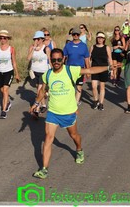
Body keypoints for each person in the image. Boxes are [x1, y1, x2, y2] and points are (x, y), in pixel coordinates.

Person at [30, 48, 115, 179]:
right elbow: (42, 91)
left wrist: (108, 67)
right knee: (48, 138)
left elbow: (90, 70)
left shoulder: (70, 70)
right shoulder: (47, 74)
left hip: (68, 112)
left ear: (63, 59)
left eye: (59, 59)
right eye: (54, 60)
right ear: (50, 60)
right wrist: (36, 103)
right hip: (52, 112)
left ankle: (79, 150)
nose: (56, 62)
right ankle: (44, 169)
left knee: (74, 136)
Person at [0, 30, 20, 119]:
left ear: (7, 39)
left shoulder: (11, 49)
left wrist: (17, 74)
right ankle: (8, 102)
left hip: (9, 72)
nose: (2, 39)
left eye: (4, 38)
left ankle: (4, 110)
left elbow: (14, 62)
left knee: (5, 90)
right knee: (2, 90)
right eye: (1, 38)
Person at [63, 27, 90, 105]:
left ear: (80, 35)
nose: (75, 36)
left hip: (79, 69)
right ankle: (70, 100)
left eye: (77, 34)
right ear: (72, 35)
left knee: (79, 87)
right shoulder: (68, 45)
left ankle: (75, 102)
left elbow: (86, 59)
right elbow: (63, 57)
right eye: (74, 34)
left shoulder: (83, 46)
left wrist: (88, 71)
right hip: (69, 69)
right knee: (70, 87)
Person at [27, 31, 51, 116]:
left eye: (38, 39)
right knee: (39, 90)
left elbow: (50, 60)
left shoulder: (46, 48)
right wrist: (33, 48)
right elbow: (28, 58)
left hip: (43, 72)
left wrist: (52, 71)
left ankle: (36, 110)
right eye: (35, 39)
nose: (36, 40)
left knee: (39, 91)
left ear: (42, 39)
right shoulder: (32, 47)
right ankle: (43, 104)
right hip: (34, 71)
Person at [89, 32, 113, 111]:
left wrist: (111, 71)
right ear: (96, 38)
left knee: (102, 87)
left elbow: (110, 59)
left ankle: (101, 103)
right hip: (94, 69)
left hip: (104, 69)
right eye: (98, 38)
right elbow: (89, 59)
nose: (100, 39)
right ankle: (96, 101)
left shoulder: (107, 48)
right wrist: (88, 69)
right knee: (93, 86)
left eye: (101, 38)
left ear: (104, 39)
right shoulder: (92, 47)